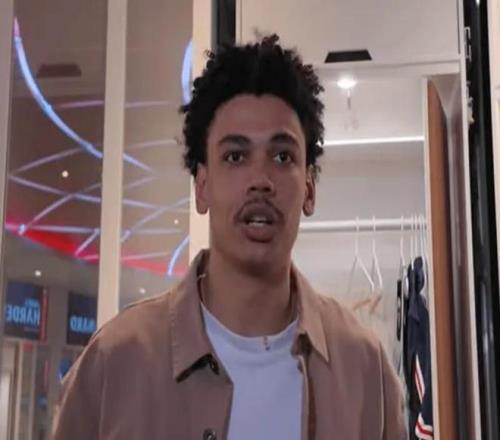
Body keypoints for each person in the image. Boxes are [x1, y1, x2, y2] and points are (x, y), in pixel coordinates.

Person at [52, 35, 406, 440]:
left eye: (282, 156)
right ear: (202, 187)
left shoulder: (363, 367)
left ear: (309, 189)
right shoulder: (116, 362)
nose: (261, 180)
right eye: (235, 157)